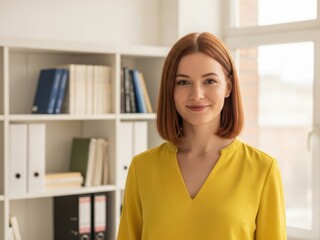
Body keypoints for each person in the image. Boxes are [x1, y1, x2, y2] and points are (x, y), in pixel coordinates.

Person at [117, 32, 286, 240]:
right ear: (170, 89)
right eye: (183, 82)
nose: (197, 94)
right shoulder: (141, 168)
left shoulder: (263, 169)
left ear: (228, 86)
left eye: (210, 81)